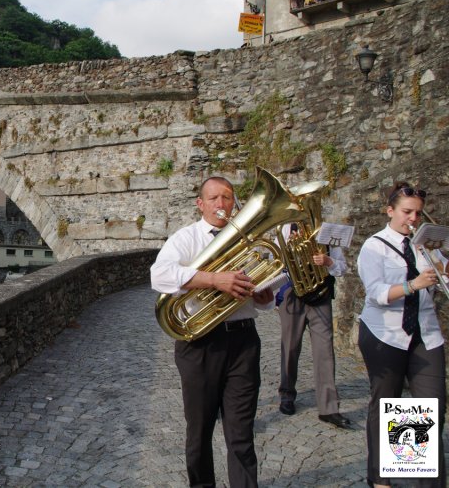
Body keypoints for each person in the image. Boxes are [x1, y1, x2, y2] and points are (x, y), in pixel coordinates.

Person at [150, 176, 274, 488]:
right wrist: (213, 280)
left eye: (228, 197)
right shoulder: (186, 238)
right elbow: (159, 275)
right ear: (201, 204)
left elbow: (262, 296)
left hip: (243, 341)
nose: (221, 204)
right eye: (215, 198)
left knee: (241, 433)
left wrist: (263, 295)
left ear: (236, 203)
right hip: (201, 344)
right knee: (200, 431)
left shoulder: (249, 241)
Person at [357, 181, 446, 488]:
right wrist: (413, 284)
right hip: (385, 333)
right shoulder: (374, 246)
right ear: (390, 210)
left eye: (418, 214)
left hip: (425, 333)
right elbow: (376, 293)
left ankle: (425, 481)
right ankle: (380, 479)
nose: (413, 219)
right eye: (407, 212)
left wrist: (444, 271)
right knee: (387, 405)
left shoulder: (424, 246)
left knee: (427, 411)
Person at [277, 222, 352, 429]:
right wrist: (289, 251)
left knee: (325, 350)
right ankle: (286, 394)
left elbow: (342, 267)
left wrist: (328, 261)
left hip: (321, 295)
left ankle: (329, 408)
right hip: (293, 295)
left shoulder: (328, 231)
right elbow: (274, 263)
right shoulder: (284, 229)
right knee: (290, 346)